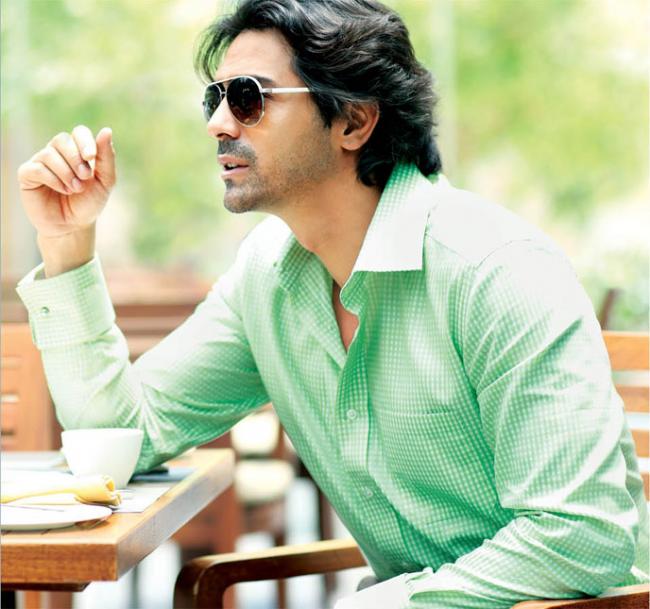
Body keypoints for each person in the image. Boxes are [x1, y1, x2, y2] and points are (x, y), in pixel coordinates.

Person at [15, 0, 648, 607]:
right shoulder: (268, 277)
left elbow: (581, 535)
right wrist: (68, 241)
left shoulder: (497, 269)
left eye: (248, 98)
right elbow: (121, 433)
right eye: (216, 98)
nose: (218, 124)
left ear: (353, 121)